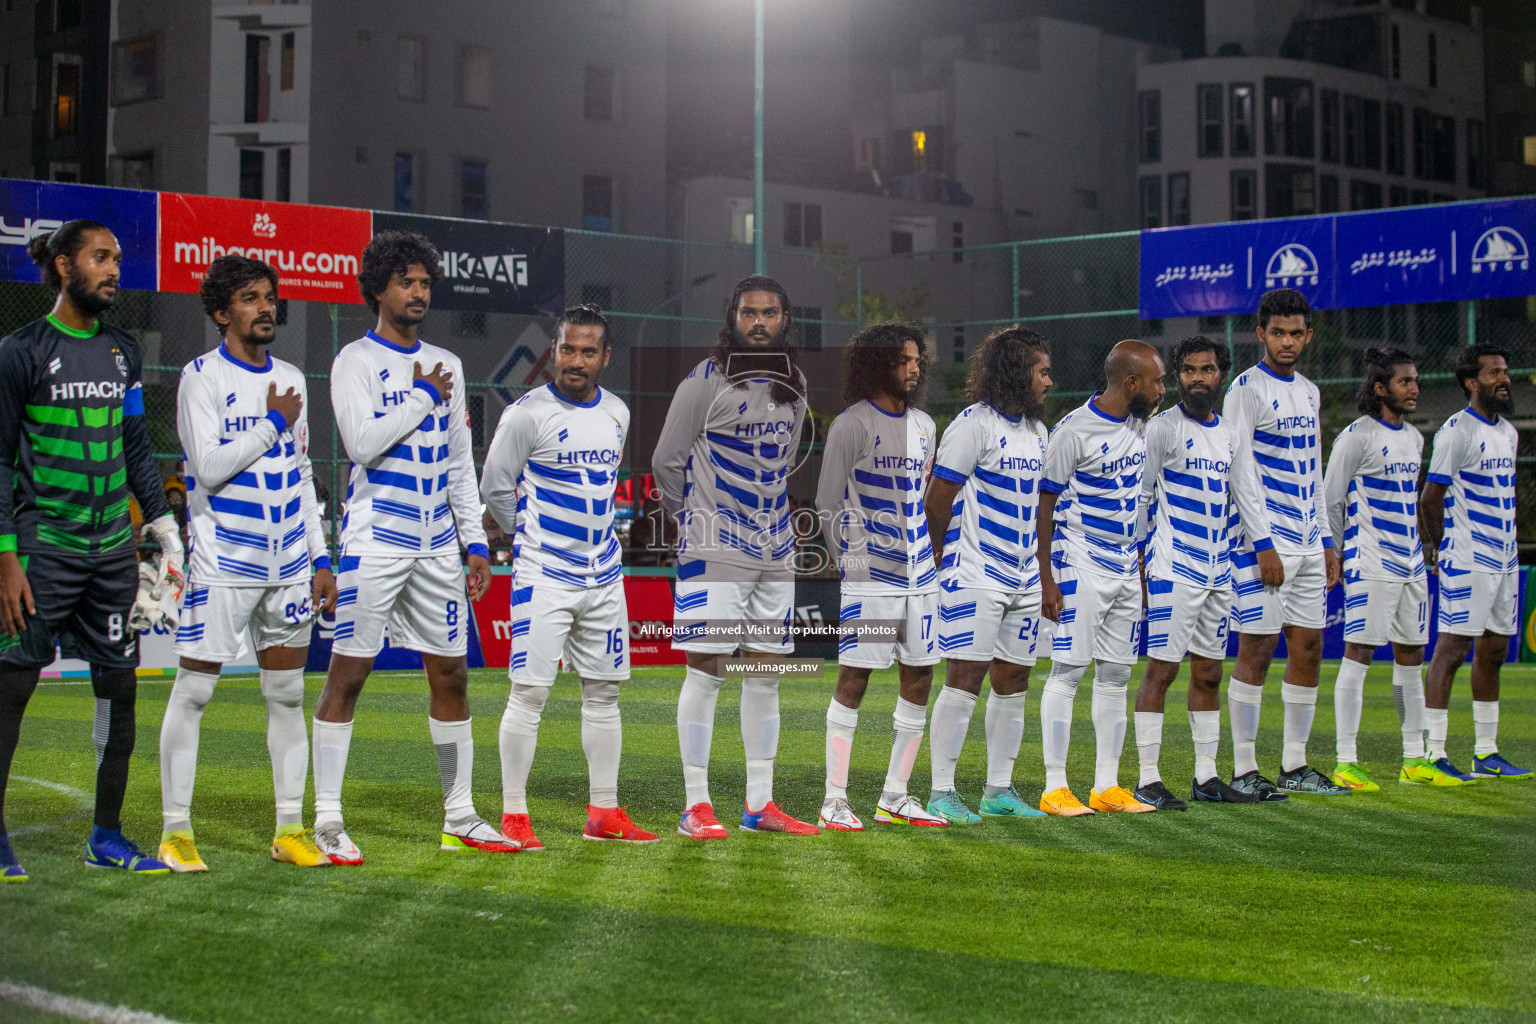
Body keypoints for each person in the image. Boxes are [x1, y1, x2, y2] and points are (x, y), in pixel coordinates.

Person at [309, 231, 507, 864]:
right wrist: (423, 396)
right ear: (378, 289)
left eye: (425, 283)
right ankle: (328, 820)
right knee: (349, 675)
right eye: (406, 282)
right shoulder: (354, 361)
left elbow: (456, 462)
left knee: (451, 674)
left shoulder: (448, 362)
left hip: (436, 551)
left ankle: (461, 815)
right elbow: (361, 443)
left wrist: (472, 540)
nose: (418, 293)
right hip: (374, 545)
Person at [0, 220, 183, 881]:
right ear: (63, 267)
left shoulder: (122, 351)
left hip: (112, 556)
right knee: (12, 688)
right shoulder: (20, 351)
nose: (114, 268)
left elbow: (135, 446)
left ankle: (106, 836)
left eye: (118, 256)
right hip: (42, 550)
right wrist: (5, 557)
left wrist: (163, 527)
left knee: (119, 690)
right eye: (100, 257)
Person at [155, 254, 340, 873]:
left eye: (269, 296)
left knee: (286, 696)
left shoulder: (290, 376)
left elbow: (304, 472)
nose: (266, 307)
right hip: (223, 564)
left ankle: (290, 829)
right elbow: (205, 467)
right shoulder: (200, 377)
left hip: (289, 565)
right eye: (250, 298)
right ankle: (175, 831)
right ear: (220, 312)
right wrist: (271, 423)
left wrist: (319, 556)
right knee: (195, 692)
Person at [480, 304, 658, 848]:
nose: (574, 361)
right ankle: (515, 814)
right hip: (544, 577)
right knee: (529, 695)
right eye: (566, 349)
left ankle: (604, 813)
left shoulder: (618, 414)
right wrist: (530, 535)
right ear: (553, 351)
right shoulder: (526, 414)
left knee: (604, 695)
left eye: (587, 351)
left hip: (604, 577)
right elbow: (494, 488)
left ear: (605, 357)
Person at [651, 276, 819, 838]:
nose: (759, 322)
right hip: (715, 548)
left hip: (776, 549)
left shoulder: (793, 383)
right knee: (708, 668)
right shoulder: (704, 381)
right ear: (733, 317)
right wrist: (692, 521)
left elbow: (786, 461)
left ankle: (759, 805)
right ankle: (695, 805)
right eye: (749, 313)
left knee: (764, 673)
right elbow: (666, 461)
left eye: (770, 313)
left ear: (785, 320)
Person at [813, 322, 945, 830]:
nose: (914, 369)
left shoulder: (925, 426)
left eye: (917, 361)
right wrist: (851, 565)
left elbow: (923, 496)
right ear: (877, 365)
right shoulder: (850, 424)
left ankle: (895, 795)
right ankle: (834, 801)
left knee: (919, 676)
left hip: (920, 579)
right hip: (872, 579)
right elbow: (827, 502)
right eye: (903, 360)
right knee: (855, 678)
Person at [920, 326, 1054, 824]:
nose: (1049, 381)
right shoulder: (972, 425)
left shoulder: (1038, 433)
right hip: (975, 573)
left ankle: (998, 790)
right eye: (1042, 371)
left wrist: (1042, 574)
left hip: (1022, 579)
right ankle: (941, 792)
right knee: (964, 679)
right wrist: (936, 565)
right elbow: (937, 501)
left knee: (1014, 680)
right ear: (1018, 372)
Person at [1223, 289, 1348, 798]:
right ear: (1261, 334)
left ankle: (1295, 765)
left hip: (1306, 541)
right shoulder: (1244, 391)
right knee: (1256, 646)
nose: (1287, 342)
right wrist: (1262, 543)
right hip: (1265, 544)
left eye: (1296, 333)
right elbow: (1239, 471)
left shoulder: (1311, 392)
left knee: (1310, 645)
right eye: (1278, 332)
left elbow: (1313, 473)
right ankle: (1245, 769)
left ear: (1308, 336)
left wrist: (1325, 540)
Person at [1321, 349, 1463, 790]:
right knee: (1359, 654)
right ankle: (1346, 761)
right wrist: (1335, 554)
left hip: (1410, 564)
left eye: (1416, 381)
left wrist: (1425, 547)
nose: (1415, 389)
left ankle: (1414, 759)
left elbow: (1413, 501)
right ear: (1381, 388)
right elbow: (1331, 500)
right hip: (1372, 561)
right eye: (1405, 382)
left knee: (1411, 658)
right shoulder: (1356, 437)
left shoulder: (1415, 438)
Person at [1036, 339, 1163, 816]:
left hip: (1126, 566)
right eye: (1156, 381)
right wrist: (1048, 579)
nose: (1161, 389)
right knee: (1068, 671)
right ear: (1131, 383)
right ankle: (1054, 787)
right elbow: (1043, 507)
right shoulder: (1073, 430)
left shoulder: (1142, 425)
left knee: (1114, 676)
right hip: (1080, 562)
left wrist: (1142, 572)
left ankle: (1106, 786)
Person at [1132, 336, 1258, 808]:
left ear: (1220, 374)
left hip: (1217, 572)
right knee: (1161, 672)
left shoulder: (1228, 433)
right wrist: (1141, 559)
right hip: (1172, 569)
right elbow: (1141, 498)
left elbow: (1243, 494)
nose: (1197, 378)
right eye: (1187, 370)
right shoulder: (1161, 429)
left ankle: (1205, 777)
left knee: (1208, 673)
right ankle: (1148, 778)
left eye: (1206, 369)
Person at [1420, 345, 1531, 781]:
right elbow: (1431, 497)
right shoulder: (1456, 431)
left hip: (1505, 558)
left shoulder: (1507, 431)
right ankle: (1433, 753)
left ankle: (1486, 753)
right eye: (1494, 373)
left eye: (1505, 371)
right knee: (1452, 650)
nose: (1504, 379)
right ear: (1471, 382)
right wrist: (1443, 547)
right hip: (1468, 557)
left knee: (1496, 649)